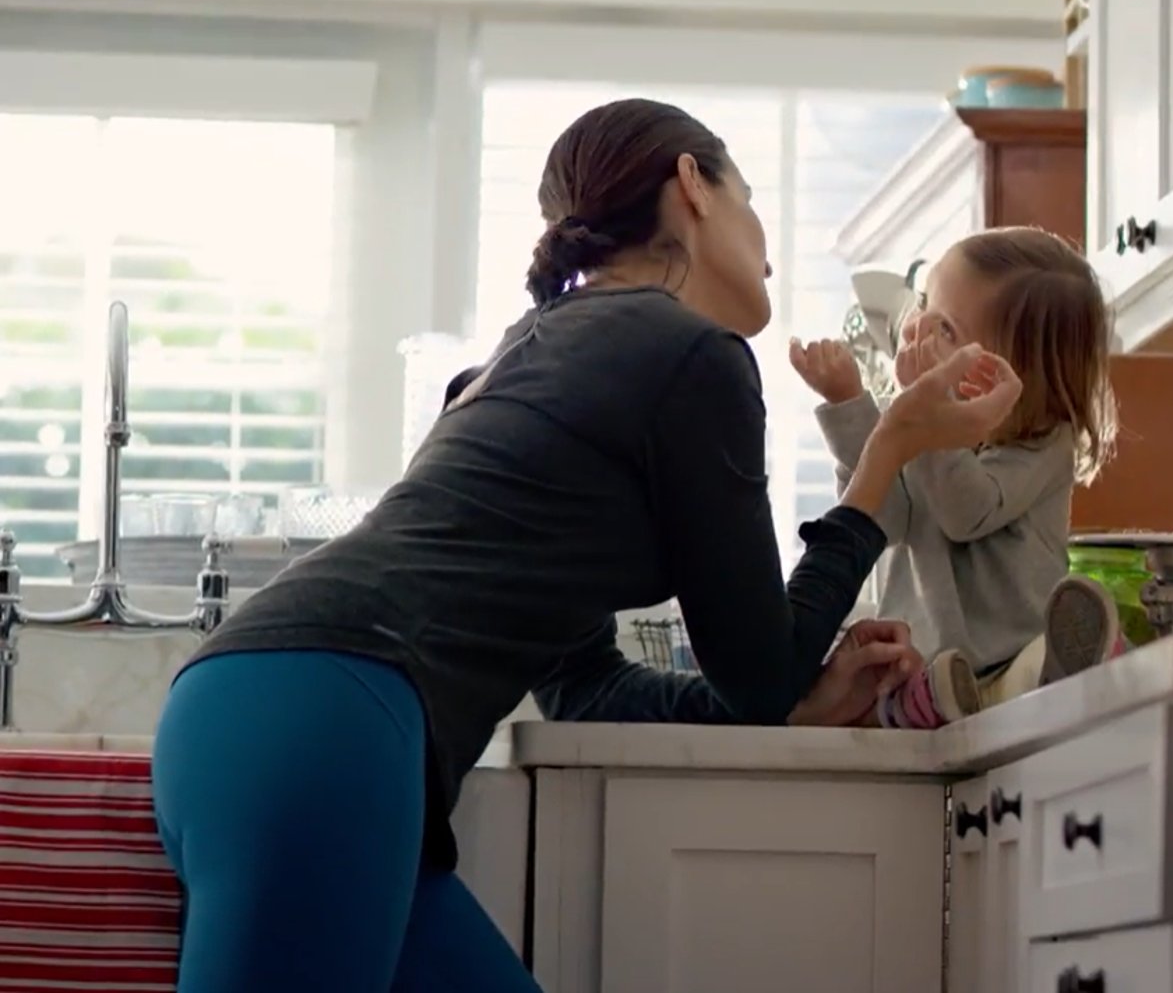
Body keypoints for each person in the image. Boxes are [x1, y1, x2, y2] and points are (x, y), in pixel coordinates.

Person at [148, 98, 1023, 993]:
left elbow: (587, 687)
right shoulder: (693, 356)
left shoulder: (517, 360)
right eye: (750, 200)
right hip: (328, 720)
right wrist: (888, 451)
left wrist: (793, 705)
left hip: (258, 709)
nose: (769, 247)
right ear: (693, 185)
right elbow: (762, 674)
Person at [788, 226, 1118, 729]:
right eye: (924, 304)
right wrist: (848, 405)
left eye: (946, 330)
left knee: (1029, 668)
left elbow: (967, 512)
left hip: (1011, 651)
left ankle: (1055, 669)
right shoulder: (918, 424)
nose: (918, 329)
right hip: (929, 658)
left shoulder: (1044, 445)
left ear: (1018, 375)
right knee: (906, 679)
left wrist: (929, 421)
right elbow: (884, 520)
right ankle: (929, 700)